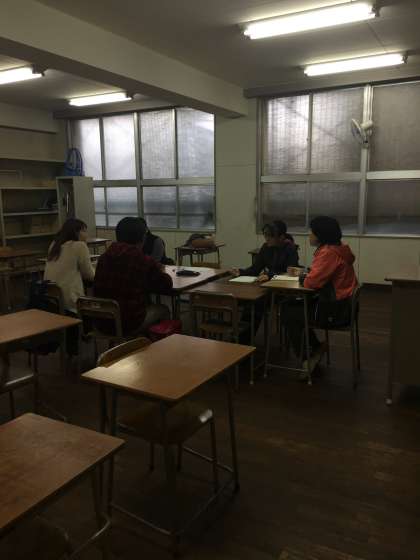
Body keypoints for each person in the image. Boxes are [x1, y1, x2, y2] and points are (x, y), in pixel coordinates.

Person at [282, 216, 358, 375]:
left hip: (336, 310)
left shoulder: (328, 253)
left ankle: (309, 356)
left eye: (312, 232)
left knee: (289, 311)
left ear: (321, 235)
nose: (309, 235)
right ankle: (315, 347)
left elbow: (311, 283)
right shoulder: (339, 248)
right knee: (294, 308)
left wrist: (303, 277)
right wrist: (307, 274)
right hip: (345, 305)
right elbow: (320, 277)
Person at [94, 217, 173, 335]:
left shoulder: (104, 257)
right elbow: (166, 285)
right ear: (142, 238)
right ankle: (155, 345)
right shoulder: (142, 260)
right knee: (163, 309)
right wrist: (161, 270)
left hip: (101, 321)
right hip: (128, 323)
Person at [44, 218, 94, 313]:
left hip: (51, 301)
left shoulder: (54, 245)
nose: (86, 235)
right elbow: (89, 275)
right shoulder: (79, 246)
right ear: (76, 232)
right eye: (84, 231)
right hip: (71, 303)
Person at [232, 220, 299, 282]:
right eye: (265, 235)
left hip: (284, 284)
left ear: (281, 237)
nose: (267, 239)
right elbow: (256, 268)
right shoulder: (266, 247)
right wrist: (241, 272)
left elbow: (289, 272)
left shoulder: (290, 248)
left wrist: (269, 276)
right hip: (269, 283)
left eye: (270, 236)